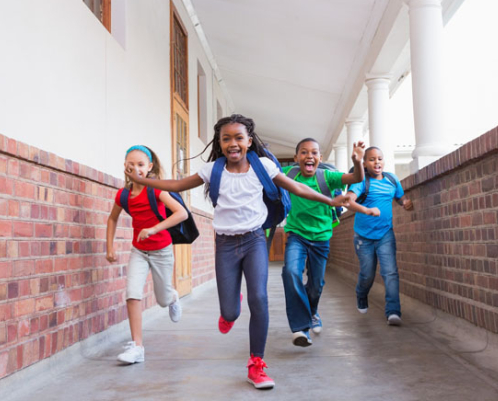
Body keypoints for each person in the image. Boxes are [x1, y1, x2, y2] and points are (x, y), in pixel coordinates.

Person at [126, 114, 347, 390]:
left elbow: (298, 187)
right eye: (226, 138)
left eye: (239, 138)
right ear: (220, 143)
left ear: (249, 141)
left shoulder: (263, 166)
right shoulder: (213, 170)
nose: (233, 143)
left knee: (260, 297)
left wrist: (330, 199)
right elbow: (177, 185)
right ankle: (232, 307)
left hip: (254, 240)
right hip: (226, 245)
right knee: (230, 313)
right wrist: (144, 181)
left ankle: (256, 365)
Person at [105, 145, 188, 364]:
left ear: (149, 167)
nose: (135, 168)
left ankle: (172, 296)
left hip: (161, 251)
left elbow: (182, 213)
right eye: (130, 165)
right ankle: (137, 347)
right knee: (132, 293)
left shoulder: (157, 190)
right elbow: (112, 218)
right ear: (125, 167)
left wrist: (153, 229)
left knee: (162, 300)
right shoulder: (123, 195)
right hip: (139, 252)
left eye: (140, 165)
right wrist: (109, 247)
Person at [281, 138, 365, 346]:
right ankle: (301, 329)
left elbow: (356, 177)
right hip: (296, 235)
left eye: (314, 152)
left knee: (316, 285)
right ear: (296, 158)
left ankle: (313, 312)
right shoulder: (288, 175)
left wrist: (358, 161)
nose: (309, 156)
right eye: (303, 152)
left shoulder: (327, 176)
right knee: (291, 272)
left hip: (321, 238)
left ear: (320, 158)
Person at [345, 146, 413, 326]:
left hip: (385, 234)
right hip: (363, 236)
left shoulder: (392, 179)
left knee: (390, 272)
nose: (377, 162)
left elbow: (400, 197)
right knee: (367, 274)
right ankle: (361, 294)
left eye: (380, 159)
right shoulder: (361, 181)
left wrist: (406, 203)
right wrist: (364, 208)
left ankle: (393, 312)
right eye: (372, 159)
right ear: (365, 164)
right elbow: (349, 200)